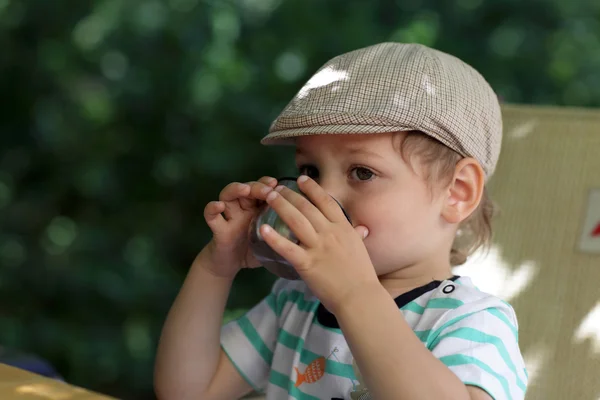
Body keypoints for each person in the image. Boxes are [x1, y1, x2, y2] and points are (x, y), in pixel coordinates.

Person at [154, 42, 528, 400]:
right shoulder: (297, 302)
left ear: (456, 192)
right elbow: (187, 390)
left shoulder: (472, 323)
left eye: (362, 172)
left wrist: (354, 295)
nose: (322, 196)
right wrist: (216, 268)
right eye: (310, 171)